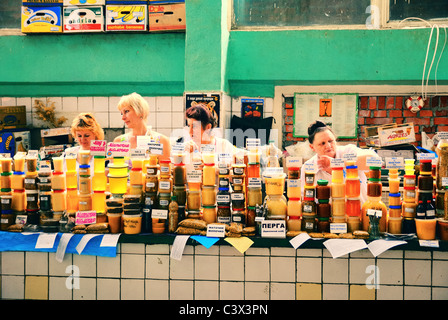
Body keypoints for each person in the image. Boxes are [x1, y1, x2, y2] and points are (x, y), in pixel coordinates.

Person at [300, 120, 380, 204]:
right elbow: (304, 198)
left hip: (359, 213)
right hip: (327, 215)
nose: (328, 146)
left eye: (330, 141)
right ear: (312, 147)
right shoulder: (308, 166)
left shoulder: (348, 151)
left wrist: (337, 163)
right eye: (322, 143)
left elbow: (376, 161)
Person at [114, 92, 170, 161]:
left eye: (126, 111)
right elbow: (113, 170)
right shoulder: (119, 142)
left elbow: (165, 170)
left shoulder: (161, 141)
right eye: (122, 113)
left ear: (140, 112)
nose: (123, 118)